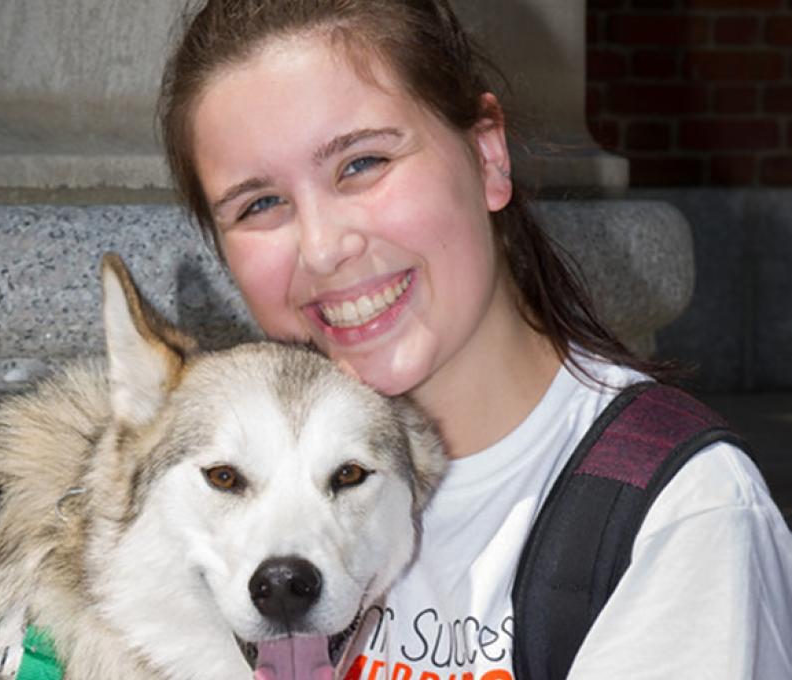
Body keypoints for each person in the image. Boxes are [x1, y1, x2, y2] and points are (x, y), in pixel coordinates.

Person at [158, 1, 792, 678]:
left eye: (361, 163)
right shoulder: (195, 523)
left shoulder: (678, 517)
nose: (321, 248)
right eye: (258, 204)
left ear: (487, 154)